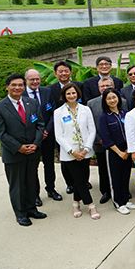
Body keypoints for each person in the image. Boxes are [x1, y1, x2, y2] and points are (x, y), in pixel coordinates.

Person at [0, 74, 47, 226]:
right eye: (14, 85)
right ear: (7, 87)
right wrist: (19, 147)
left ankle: (31, 209)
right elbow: (0, 133)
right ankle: (21, 213)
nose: (17, 88)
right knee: (17, 185)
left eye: (20, 85)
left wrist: (35, 143)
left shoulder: (32, 103)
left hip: (33, 151)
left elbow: (40, 124)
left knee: (31, 182)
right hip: (14, 154)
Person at [53, 83, 100, 220]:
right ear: (64, 96)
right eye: (68, 94)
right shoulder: (58, 112)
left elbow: (92, 130)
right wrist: (72, 151)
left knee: (83, 178)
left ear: (77, 94)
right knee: (79, 180)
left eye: (74, 93)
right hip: (69, 153)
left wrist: (86, 149)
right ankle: (91, 205)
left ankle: (75, 203)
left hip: (85, 151)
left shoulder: (86, 109)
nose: (71, 96)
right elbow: (59, 135)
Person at [24, 68, 62, 204]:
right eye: (32, 79)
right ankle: (35, 195)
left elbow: (53, 112)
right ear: (26, 80)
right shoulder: (21, 95)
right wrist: (38, 134)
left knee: (49, 164)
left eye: (37, 79)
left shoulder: (47, 91)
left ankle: (51, 189)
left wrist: (47, 130)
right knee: (33, 166)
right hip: (32, 138)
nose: (35, 82)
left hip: (47, 135)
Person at [98, 88, 135, 215]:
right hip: (114, 152)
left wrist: (128, 150)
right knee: (115, 178)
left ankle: (125, 200)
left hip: (127, 150)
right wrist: (119, 152)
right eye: (109, 98)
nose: (112, 100)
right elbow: (106, 138)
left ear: (118, 98)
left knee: (125, 176)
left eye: (114, 97)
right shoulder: (104, 117)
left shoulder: (125, 113)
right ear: (105, 101)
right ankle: (118, 203)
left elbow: (130, 132)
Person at [48, 61, 82, 194]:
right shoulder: (51, 89)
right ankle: (70, 183)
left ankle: (83, 180)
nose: (63, 73)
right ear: (55, 73)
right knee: (66, 156)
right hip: (62, 128)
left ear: (70, 72)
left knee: (81, 154)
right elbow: (51, 111)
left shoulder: (79, 85)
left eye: (66, 71)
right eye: (60, 71)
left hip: (79, 127)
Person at [87, 76, 117, 205]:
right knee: (103, 168)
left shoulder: (122, 101)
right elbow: (90, 124)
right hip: (100, 142)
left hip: (118, 143)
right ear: (99, 88)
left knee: (118, 167)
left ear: (113, 87)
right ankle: (105, 191)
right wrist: (99, 139)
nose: (105, 88)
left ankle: (120, 189)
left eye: (108, 86)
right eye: (102, 86)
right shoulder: (91, 103)